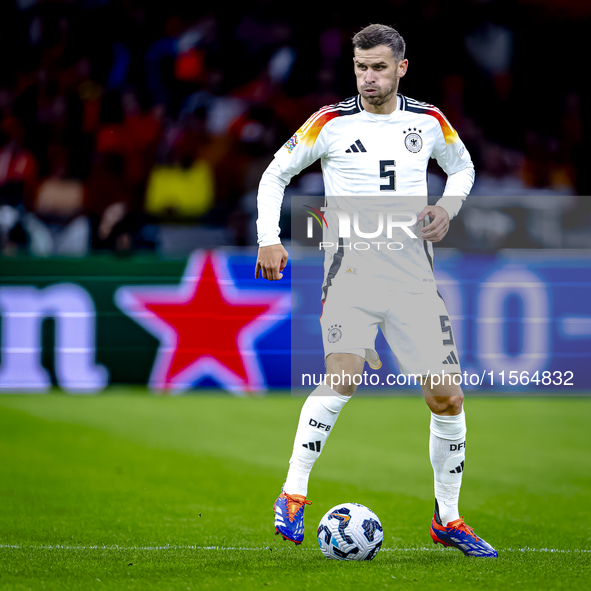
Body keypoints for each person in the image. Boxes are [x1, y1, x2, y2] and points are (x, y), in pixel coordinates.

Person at [255, 24, 497, 558]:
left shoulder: (429, 121)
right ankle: (294, 492)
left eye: (379, 67)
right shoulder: (330, 122)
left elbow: (462, 168)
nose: (368, 77)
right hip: (350, 277)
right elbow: (275, 175)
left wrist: (447, 208)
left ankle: (448, 519)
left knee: (447, 397)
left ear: (401, 68)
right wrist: (268, 239)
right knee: (343, 376)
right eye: (361, 67)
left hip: (413, 281)